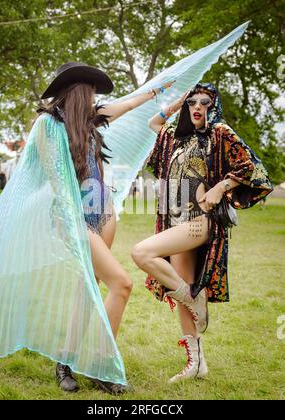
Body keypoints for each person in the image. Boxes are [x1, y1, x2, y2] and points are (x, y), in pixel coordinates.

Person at [38, 62, 173, 394]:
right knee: (122, 284)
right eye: (92, 91)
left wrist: (160, 93)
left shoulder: (92, 122)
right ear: (79, 92)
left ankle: (65, 362)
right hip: (73, 218)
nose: (97, 97)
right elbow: (57, 182)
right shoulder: (48, 126)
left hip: (104, 215)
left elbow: (127, 105)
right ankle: (101, 365)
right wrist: (75, 220)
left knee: (88, 291)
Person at [132, 82, 273, 383]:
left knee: (141, 252)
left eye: (204, 102)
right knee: (184, 285)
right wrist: (177, 101)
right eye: (192, 102)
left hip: (200, 222)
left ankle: (193, 298)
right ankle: (196, 363)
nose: (197, 107)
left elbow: (252, 166)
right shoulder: (175, 138)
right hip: (175, 221)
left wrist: (222, 187)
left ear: (213, 105)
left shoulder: (219, 133)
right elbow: (153, 122)